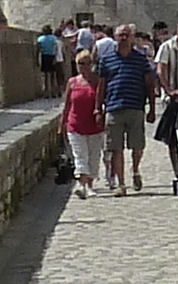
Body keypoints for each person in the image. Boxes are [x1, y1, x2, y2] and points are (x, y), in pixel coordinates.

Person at [97, 27, 157, 197]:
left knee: (137, 146)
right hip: (113, 107)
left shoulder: (140, 59)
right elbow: (101, 86)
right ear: (115, 37)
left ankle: (136, 169)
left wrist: (152, 108)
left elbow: (149, 85)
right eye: (120, 35)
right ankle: (121, 184)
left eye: (127, 35)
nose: (123, 38)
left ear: (132, 38)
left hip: (135, 107)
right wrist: (97, 108)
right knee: (116, 148)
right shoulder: (106, 60)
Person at [58, 50, 103, 187]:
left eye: (86, 63)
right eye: (80, 63)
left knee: (94, 157)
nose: (83, 66)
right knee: (80, 156)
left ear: (92, 64)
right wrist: (62, 125)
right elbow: (66, 105)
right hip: (75, 125)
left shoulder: (98, 81)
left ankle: (90, 184)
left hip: (94, 126)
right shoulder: (72, 82)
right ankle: (82, 185)